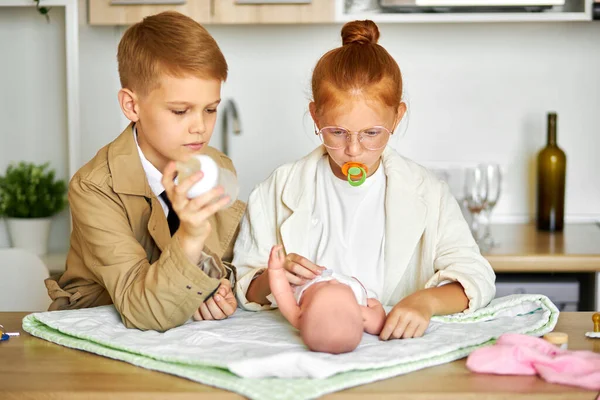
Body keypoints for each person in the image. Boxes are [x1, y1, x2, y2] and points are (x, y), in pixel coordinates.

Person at [234, 19, 495, 341]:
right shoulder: (278, 189)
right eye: (337, 132)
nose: (354, 150)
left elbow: (476, 276)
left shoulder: (429, 192)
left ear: (397, 117)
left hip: (395, 349)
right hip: (305, 348)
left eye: (372, 133)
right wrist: (275, 276)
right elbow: (245, 288)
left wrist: (425, 302)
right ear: (316, 116)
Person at [45, 11, 245, 331]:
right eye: (180, 111)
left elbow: (228, 260)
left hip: (185, 337)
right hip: (99, 332)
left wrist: (216, 287)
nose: (200, 128)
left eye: (210, 109)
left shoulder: (215, 166)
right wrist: (191, 237)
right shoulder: (93, 187)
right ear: (132, 106)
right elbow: (143, 311)